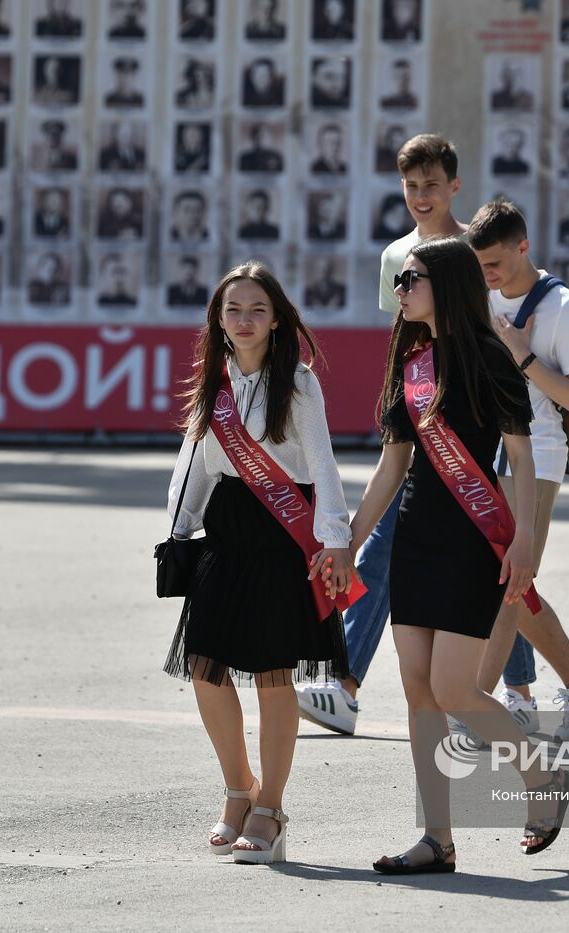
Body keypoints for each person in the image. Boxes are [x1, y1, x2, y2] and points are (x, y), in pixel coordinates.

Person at [358, 235, 569, 873]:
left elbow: (523, 450)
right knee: (419, 693)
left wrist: (527, 538)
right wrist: (346, 536)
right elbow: (391, 466)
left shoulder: (488, 355)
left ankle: (541, 773)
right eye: (400, 281)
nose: (401, 291)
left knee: (455, 689)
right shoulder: (413, 361)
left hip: (471, 540)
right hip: (415, 537)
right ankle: (437, 839)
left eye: (411, 279)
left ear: (446, 283)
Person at [163, 261, 356, 865]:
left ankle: (270, 808)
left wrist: (334, 538)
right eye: (232, 310)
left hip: (283, 536)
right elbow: (195, 462)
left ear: (277, 321)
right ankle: (237, 789)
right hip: (226, 533)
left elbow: (322, 464)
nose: (244, 321)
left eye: (256, 310)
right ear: (218, 321)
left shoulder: (298, 384)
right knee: (206, 669)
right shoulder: (211, 382)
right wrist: (177, 528)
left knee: (275, 677)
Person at [296, 134, 468, 736]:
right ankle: (346, 684)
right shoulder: (396, 254)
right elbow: (403, 339)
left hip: (466, 420)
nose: (421, 196)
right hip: (416, 413)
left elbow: (484, 336)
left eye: (431, 184)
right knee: (411, 551)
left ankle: (345, 682)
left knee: (481, 557)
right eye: (410, 186)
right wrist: (400, 409)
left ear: (454, 185)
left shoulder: (471, 251)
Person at [467, 198, 569, 744]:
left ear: (523, 247)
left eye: (495, 264)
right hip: (487, 450)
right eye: (479, 265)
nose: (487, 275)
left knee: (509, 580)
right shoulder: (480, 294)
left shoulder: (564, 308)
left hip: (540, 451)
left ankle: (475, 707)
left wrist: (523, 354)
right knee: (504, 580)